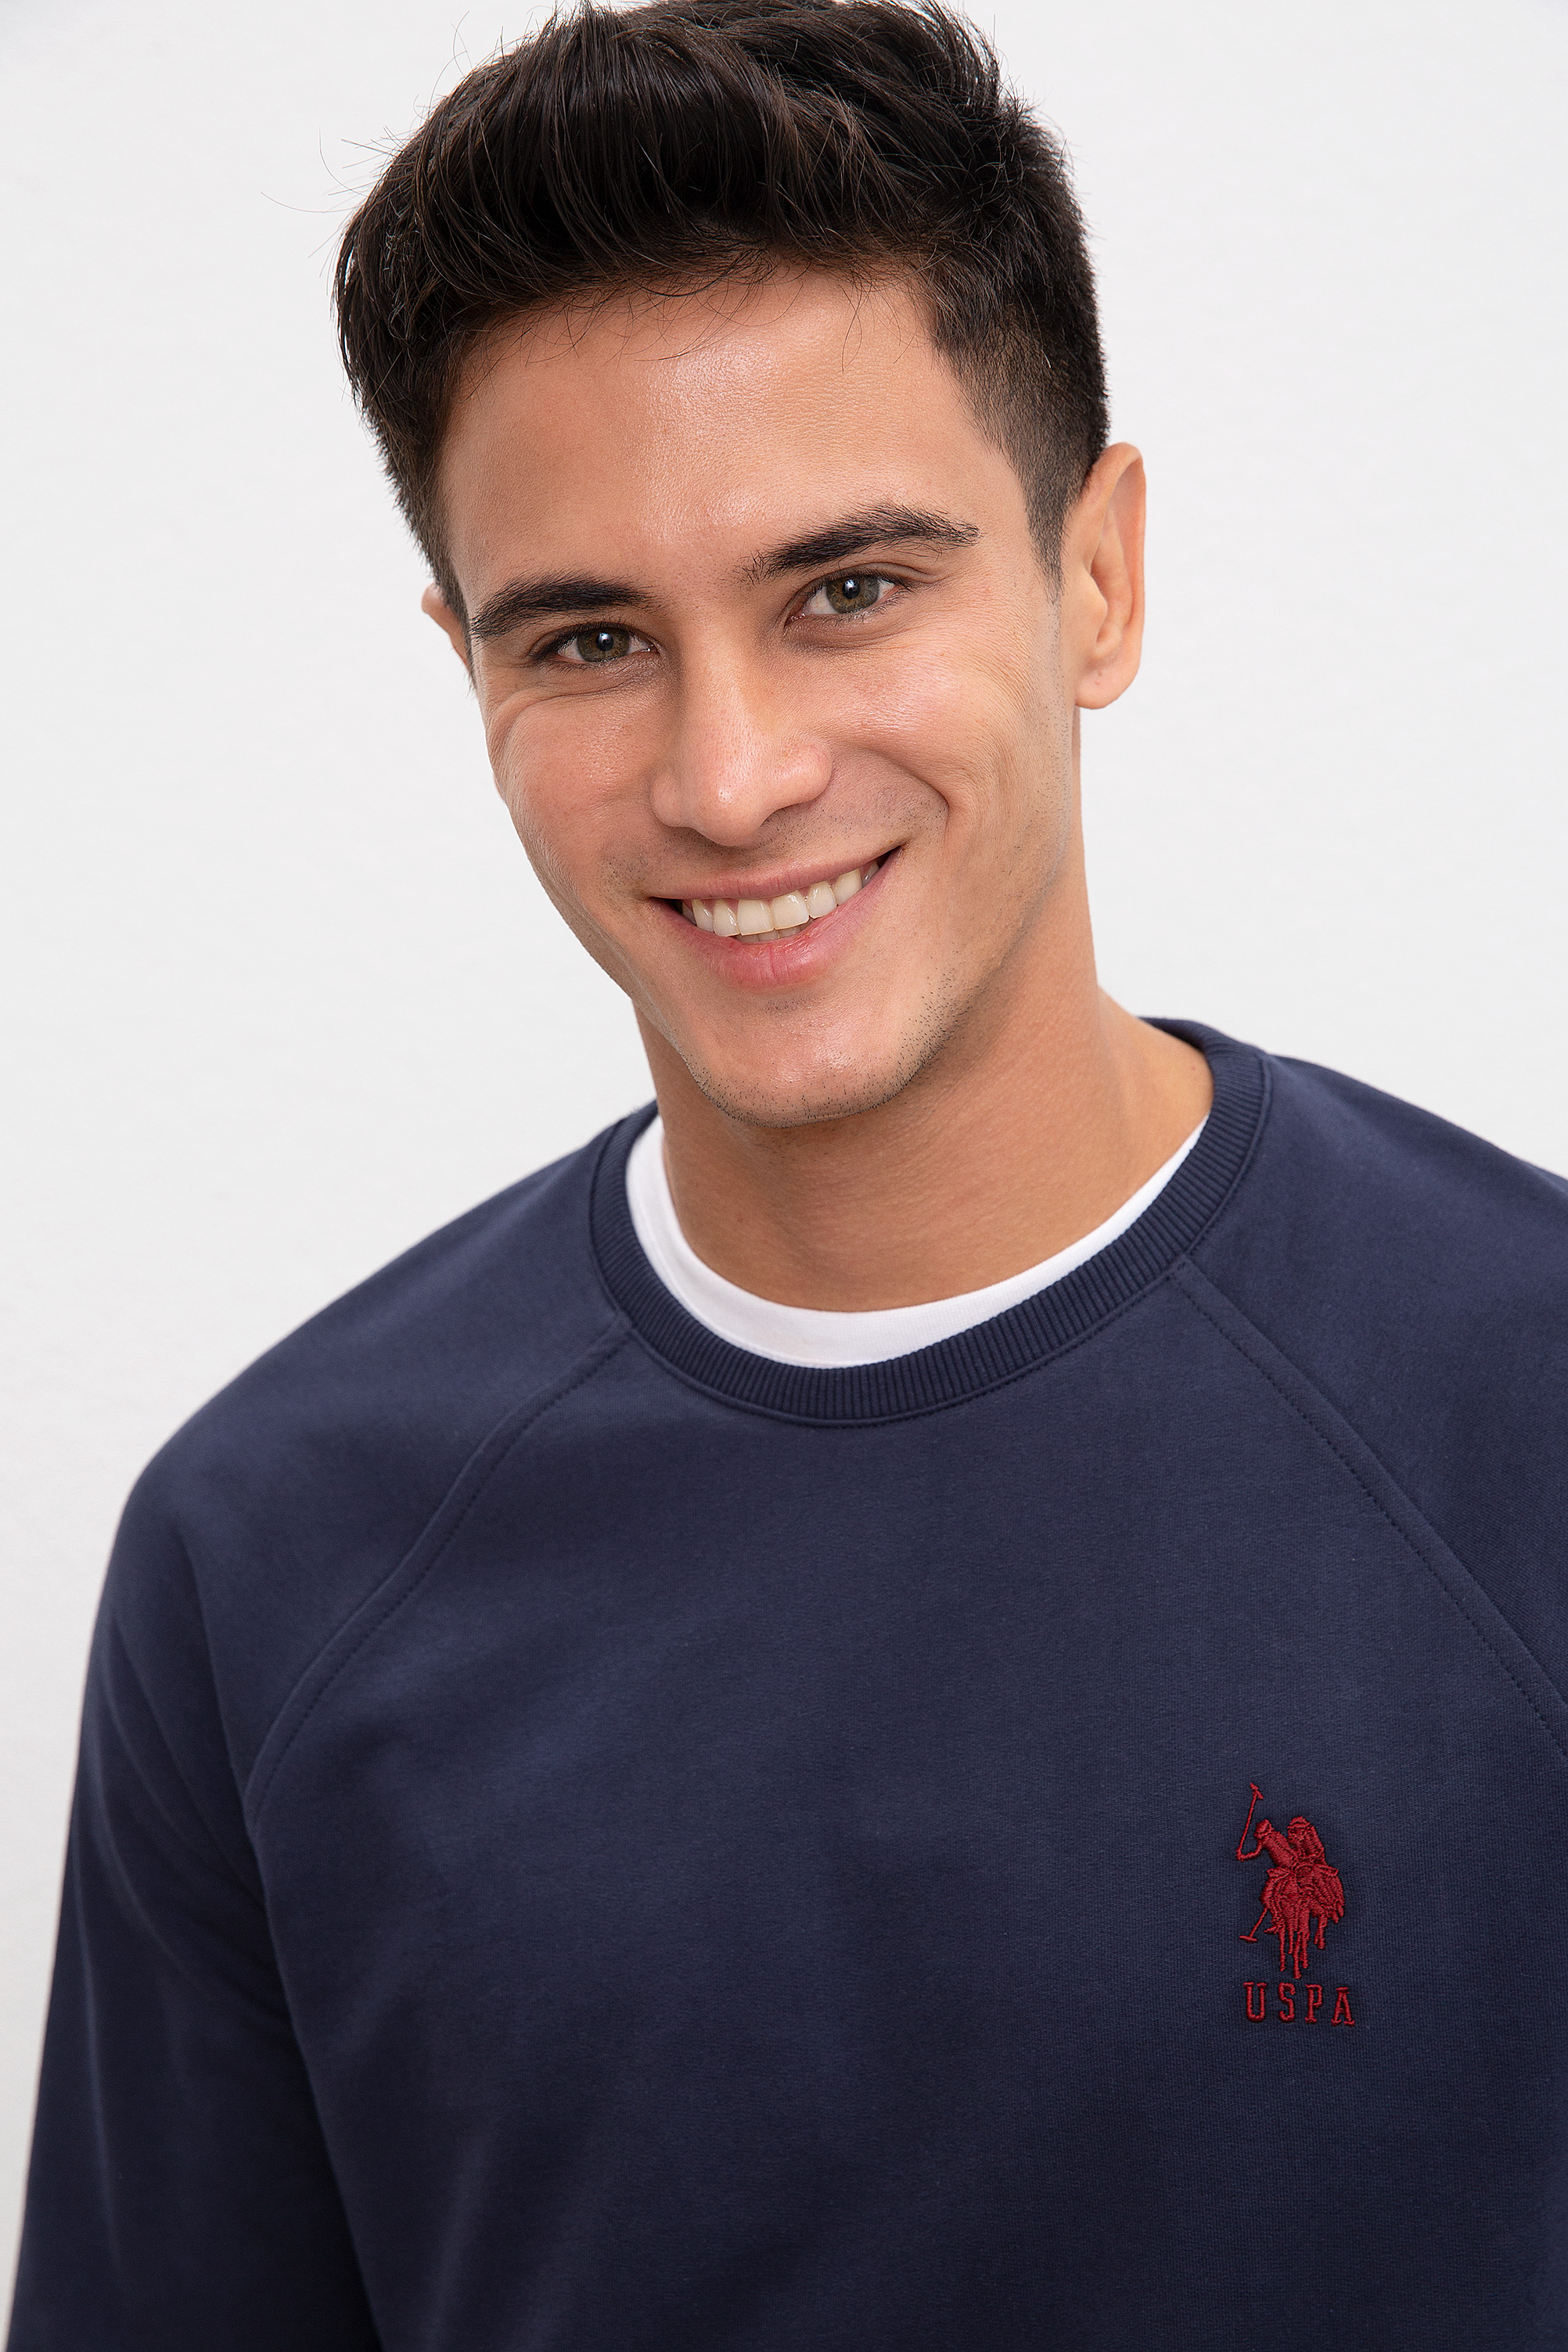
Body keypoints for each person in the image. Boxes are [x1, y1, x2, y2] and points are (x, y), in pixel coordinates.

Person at [9, 2, 1568, 2345]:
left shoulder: (1527, 1409)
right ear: (466, 672)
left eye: (847, 589)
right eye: (590, 639)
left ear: (1097, 577)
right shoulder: (267, 1558)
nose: (727, 777)